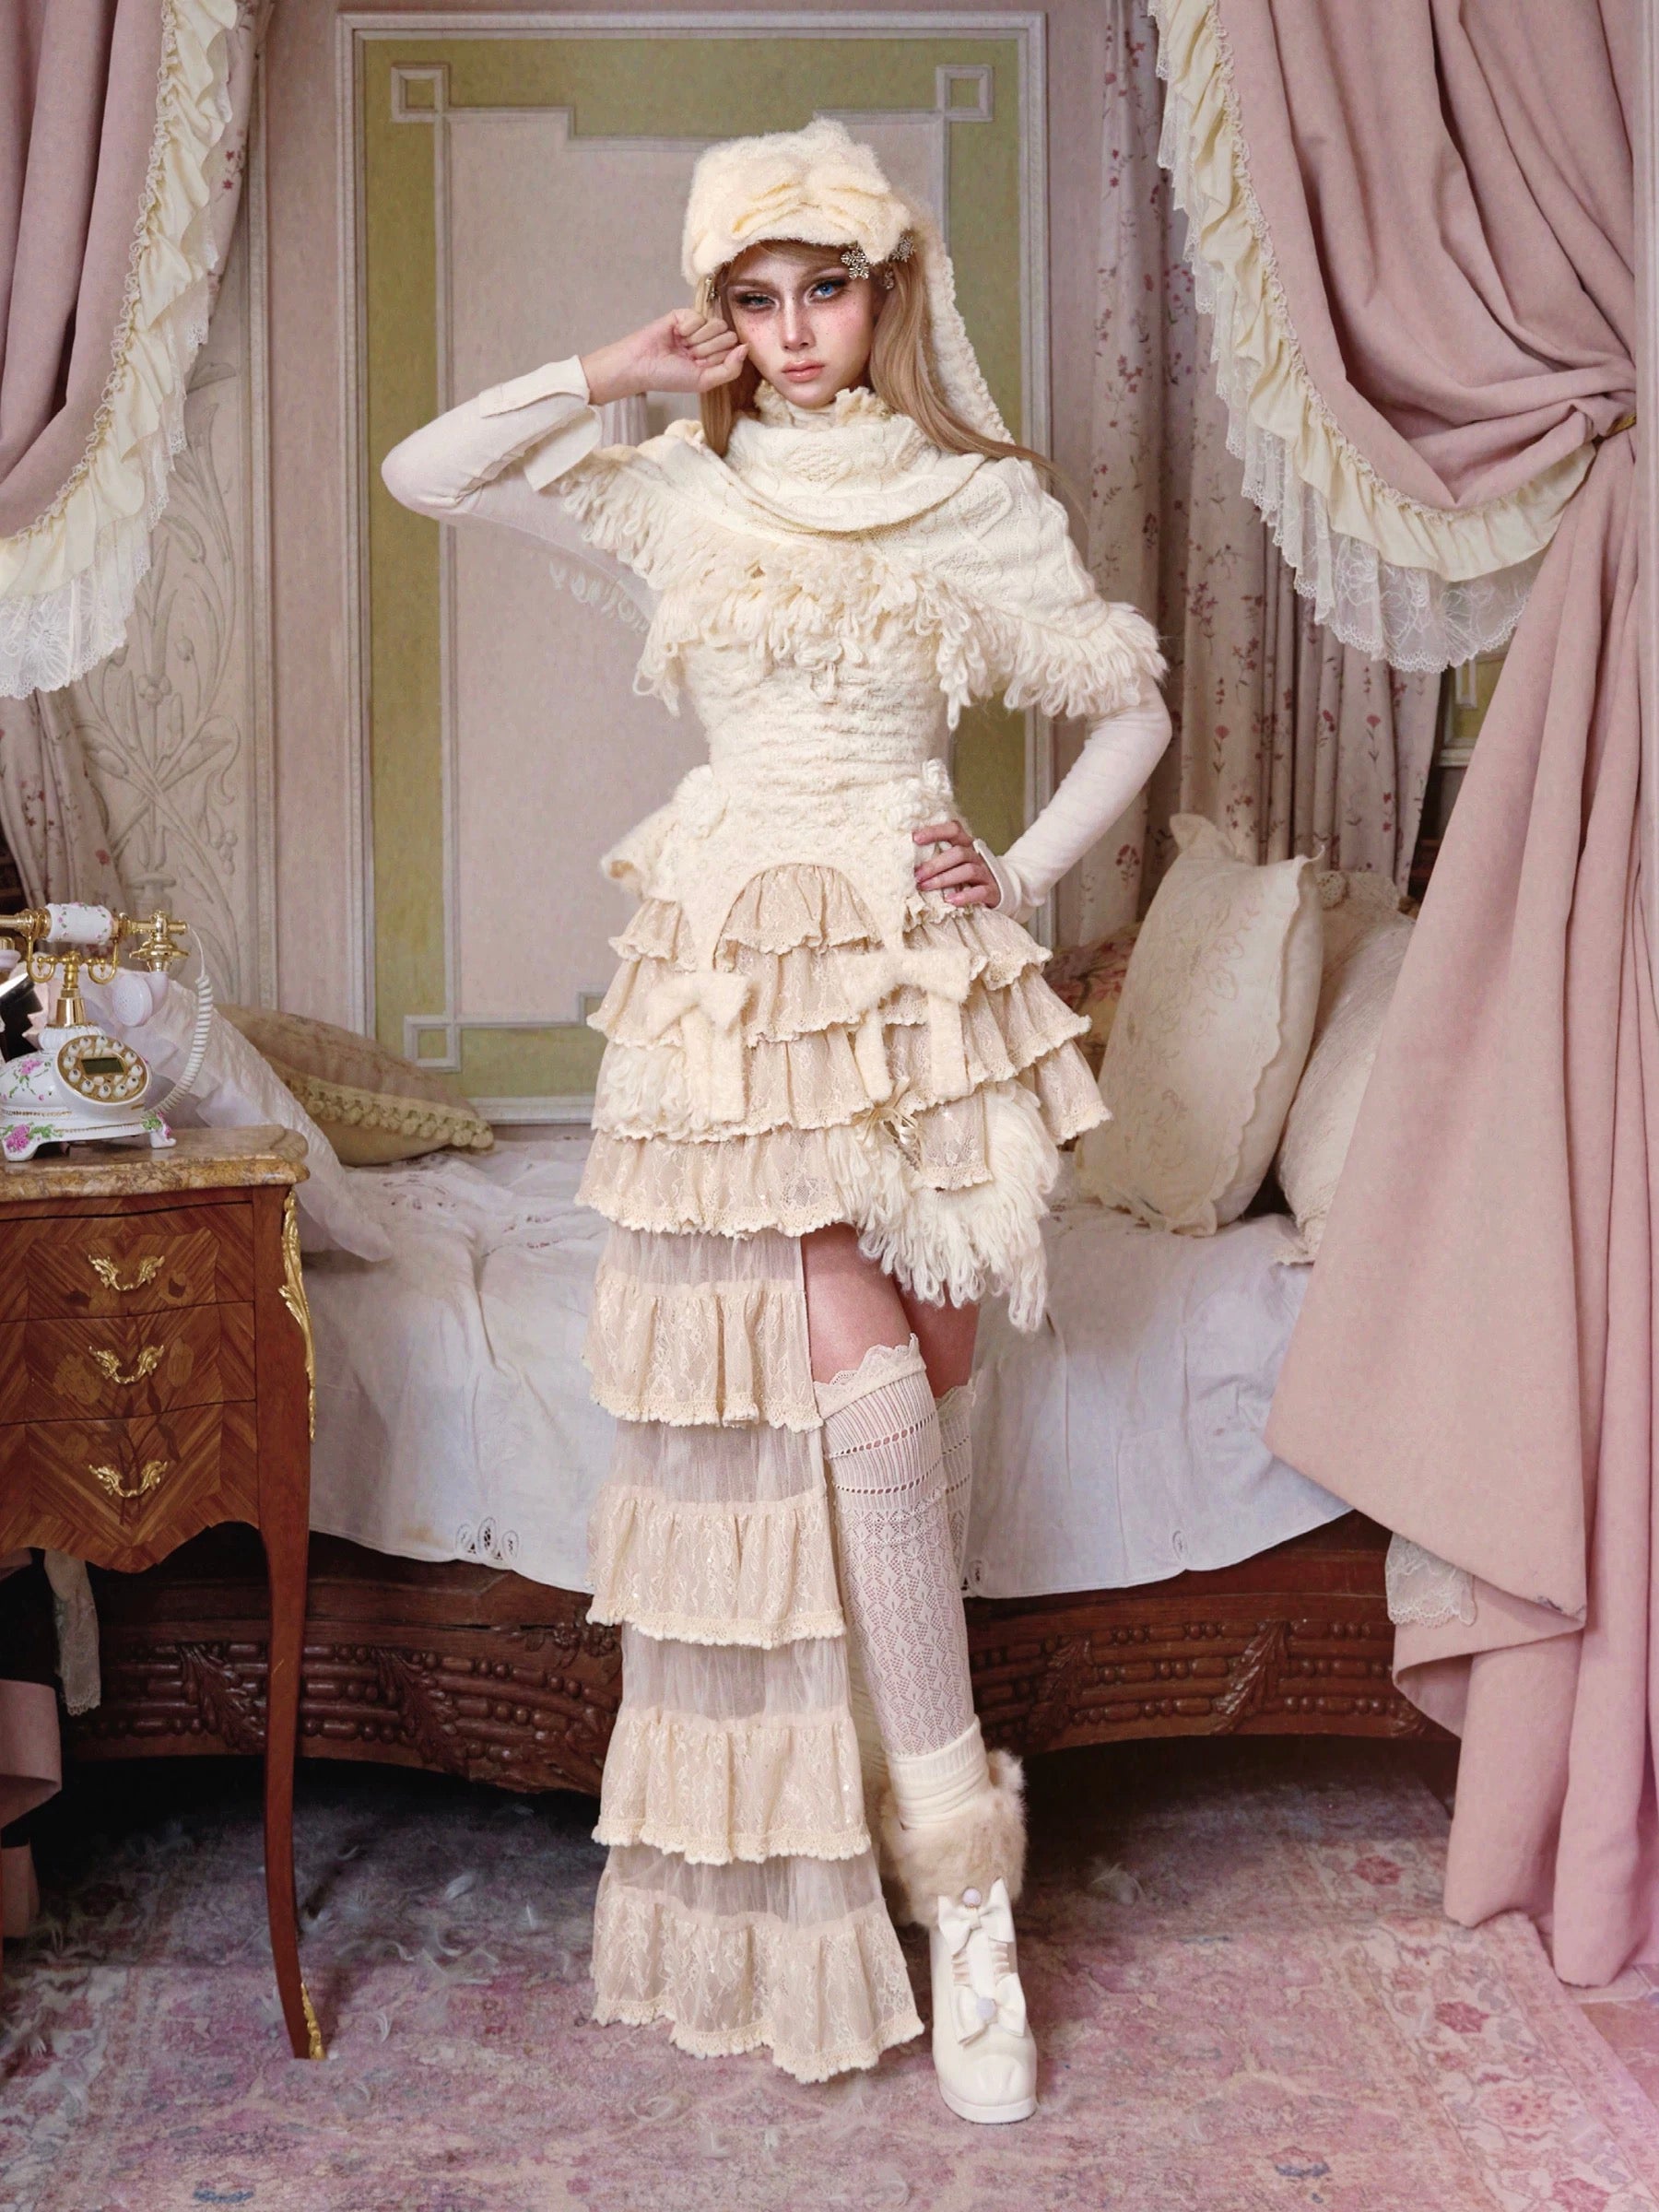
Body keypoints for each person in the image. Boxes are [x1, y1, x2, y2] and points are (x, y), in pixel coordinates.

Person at [383, 117, 1169, 2124]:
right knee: (872, 1406)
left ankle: (888, 1781)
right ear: (719, 313)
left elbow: (1131, 708)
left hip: (916, 978)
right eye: (755, 297)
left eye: (826, 289)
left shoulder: (977, 500)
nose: (796, 329)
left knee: (935, 1373)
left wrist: (1021, 875)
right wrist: (619, 370)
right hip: (736, 982)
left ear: (889, 295)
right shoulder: (684, 489)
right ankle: (966, 1898)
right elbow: (431, 472)